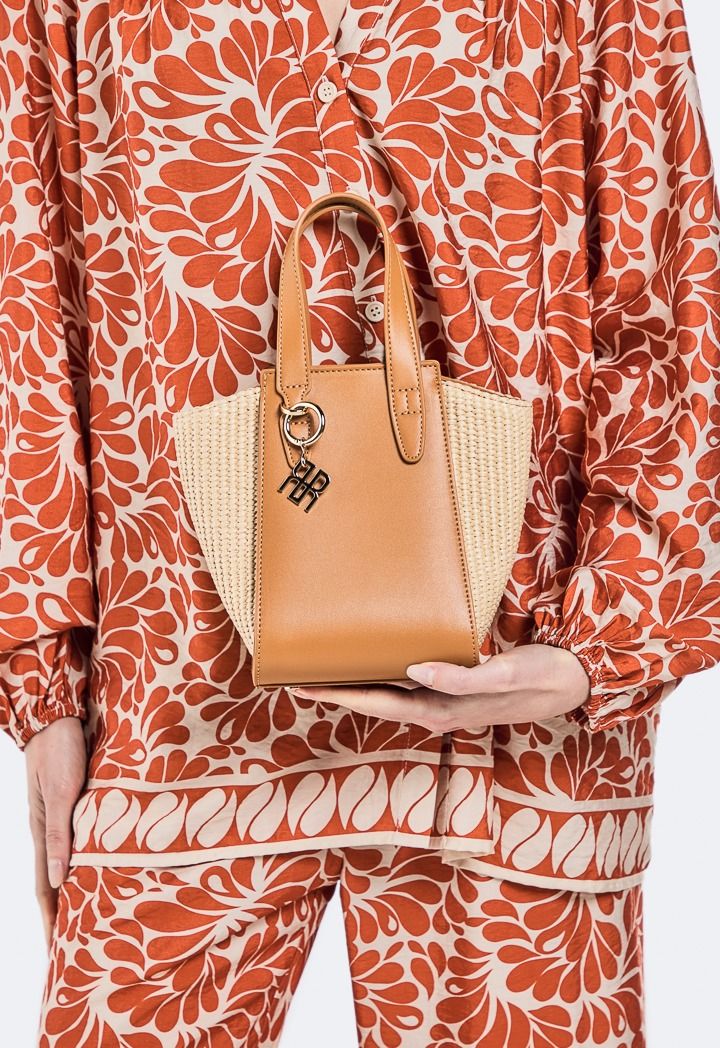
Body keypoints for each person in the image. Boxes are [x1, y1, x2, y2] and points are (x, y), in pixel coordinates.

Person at [1, 0, 718, 1044]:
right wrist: (43, 681)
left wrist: (604, 641)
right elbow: (26, 287)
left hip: (517, 711)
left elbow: (666, 294)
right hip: (171, 695)